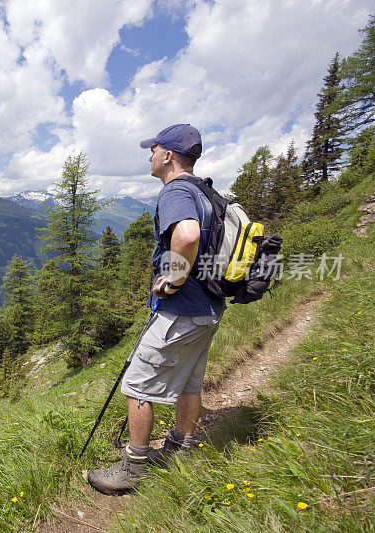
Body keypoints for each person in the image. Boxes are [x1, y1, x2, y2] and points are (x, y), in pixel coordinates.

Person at [87, 124, 227, 494]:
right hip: (208, 309)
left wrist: (175, 279)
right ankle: (180, 450)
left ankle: (134, 469)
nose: (148, 156)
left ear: (168, 156)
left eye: (153, 150)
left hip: (181, 309)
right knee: (189, 382)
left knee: (137, 384)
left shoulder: (176, 191)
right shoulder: (205, 191)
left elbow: (187, 235)